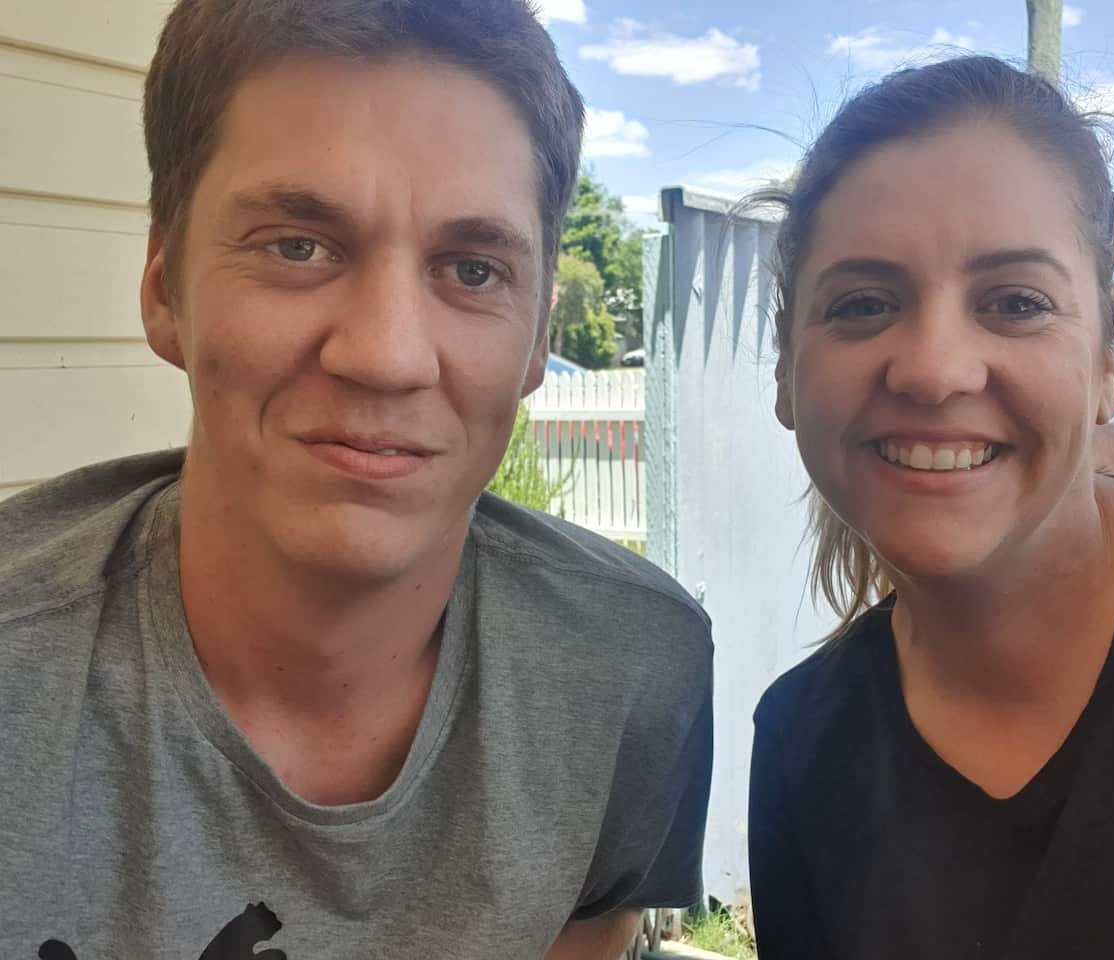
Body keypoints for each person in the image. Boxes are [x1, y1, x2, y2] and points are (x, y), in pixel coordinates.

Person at [0, 1, 713, 956]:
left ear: (541, 333)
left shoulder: (631, 673)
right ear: (164, 288)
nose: (384, 355)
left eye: (470, 269)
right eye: (297, 246)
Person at [748, 56, 1114, 959]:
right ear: (786, 377)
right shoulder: (802, 745)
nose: (934, 369)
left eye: (1016, 302)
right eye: (863, 303)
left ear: (1107, 358)